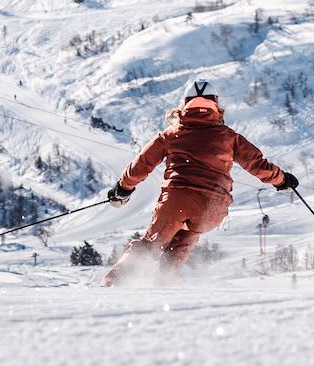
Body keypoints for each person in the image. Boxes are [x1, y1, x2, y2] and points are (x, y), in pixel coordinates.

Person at [101, 81, 296, 286]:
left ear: (184, 106)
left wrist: (123, 189)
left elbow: (142, 164)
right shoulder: (229, 137)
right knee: (180, 245)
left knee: (150, 245)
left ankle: (112, 283)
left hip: (177, 201)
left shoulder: (171, 134)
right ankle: (163, 286)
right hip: (212, 209)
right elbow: (257, 164)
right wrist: (282, 179)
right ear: (216, 107)